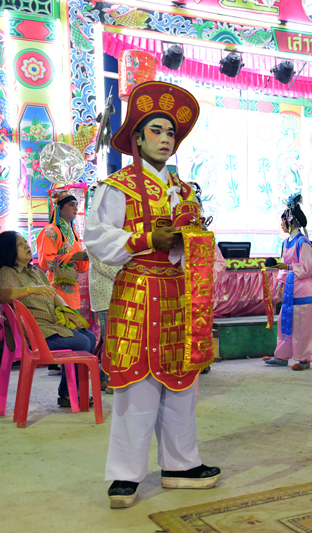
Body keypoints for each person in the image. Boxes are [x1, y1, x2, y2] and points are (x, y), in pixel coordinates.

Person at [84, 81, 219, 508]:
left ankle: (181, 464)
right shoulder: (115, 187)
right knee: (135, 388)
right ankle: (125, 475)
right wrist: (147, 239)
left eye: (171, 134)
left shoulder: (184, 189)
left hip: (180, 294)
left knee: (182, 382)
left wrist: (188, 238)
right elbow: (97, 240)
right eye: (157, 131)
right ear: (137, 137)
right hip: (138, 293)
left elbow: (197, 243)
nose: (165, 139)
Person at [0, 231, 96, 407]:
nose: (27, 246)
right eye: (20, 244)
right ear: (8, 250)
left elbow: (53, 295)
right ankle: (69, 394)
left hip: (48, 328)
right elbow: (4, 295)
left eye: (25, 242)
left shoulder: (35, 271)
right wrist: (30, 290)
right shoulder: (7, 272)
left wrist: (65, 309)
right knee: (82, 342)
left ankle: (70, 393)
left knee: (89, 337)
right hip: (30, 335)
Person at [264, 194, 312, 371]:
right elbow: (283, 268)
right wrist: (280, 285)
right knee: (285, 323)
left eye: (283, 221)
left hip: (303, 292)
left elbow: (306, 269)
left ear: (291, 222)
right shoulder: (286, 242)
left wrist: (287, 266)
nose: (281, 225)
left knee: (303, 327)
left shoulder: (303, 242)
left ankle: (304, 359)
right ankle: (281, 355)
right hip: (289, 291)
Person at [35, 190, 89, 311]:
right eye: (71, 204)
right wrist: (73, 257)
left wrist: (85, 257)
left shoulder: (72, 233)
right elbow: (46, 262)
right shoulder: (51, 231)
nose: (76, 207)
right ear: (59, 207)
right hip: (56, 285)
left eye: (76, 204)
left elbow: (79, 263)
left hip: (72, 283)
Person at [87, 248, 121, 393]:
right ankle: (111, 382)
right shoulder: (96, 236)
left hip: (116, 293)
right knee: (112, 340)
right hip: (106, 296)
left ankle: (104, 377)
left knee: (113, 339)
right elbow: (106, 267)